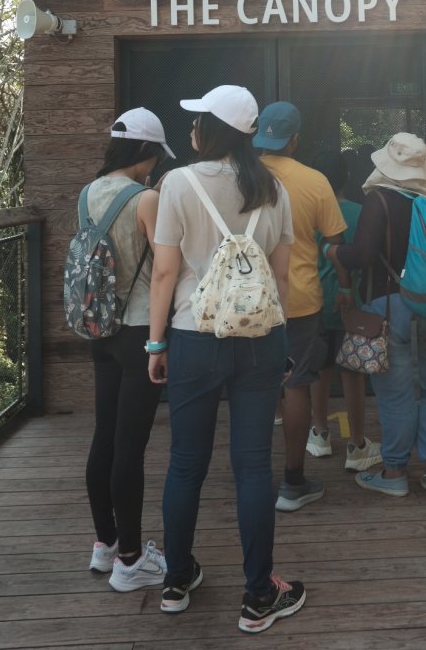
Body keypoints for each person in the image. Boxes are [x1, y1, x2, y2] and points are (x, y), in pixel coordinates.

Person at [147, 85, 306, 632]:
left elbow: (166, 273)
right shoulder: (272, 187)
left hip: (194, 336)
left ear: (208, 130)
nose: (190, 129)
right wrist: (279, 342)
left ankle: (176, 581)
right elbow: (280, 276)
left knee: (186, 463)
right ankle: (259, 595)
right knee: (252, 467)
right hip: (261, 339)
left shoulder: (178, 184)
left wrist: (155, 342)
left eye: (196, 121)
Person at [327, 133, 426, 502]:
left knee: (395, 396)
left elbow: (362, 254)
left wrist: (334, 251)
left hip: (391, 308)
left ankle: (395, 472)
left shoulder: (379, 201)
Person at [85, 107, 174, 591]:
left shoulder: (88, 192)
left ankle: (106, 543)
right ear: (144, 151)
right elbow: (164, 269)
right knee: (130, 448)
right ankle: (133, 561)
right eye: (156, 155)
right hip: (140, 332)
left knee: (104, 435)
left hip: (101, 330)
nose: (156, 163)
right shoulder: (144, 199)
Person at [253, 102, 348, 512]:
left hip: (246, 300)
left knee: (250, 387)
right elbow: (336, 241)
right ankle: (293, 481)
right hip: (300, 299)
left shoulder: (240, 176)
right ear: (295, 139)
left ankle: (252, 476)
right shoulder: (315, 181)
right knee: (296, 385)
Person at [306, 150, 382, 473]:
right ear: (347, 177)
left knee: (318, 371)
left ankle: (320, 434)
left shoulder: (308, 214)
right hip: (354, 304)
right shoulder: (359, 212)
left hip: (315, 301)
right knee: (353, 371)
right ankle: (358, 444)